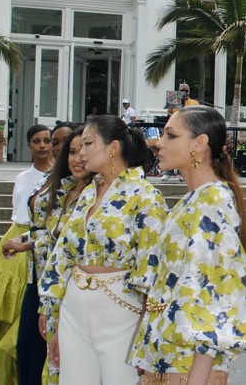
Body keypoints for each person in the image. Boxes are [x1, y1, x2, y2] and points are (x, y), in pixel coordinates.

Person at [131, 106, 246, 385]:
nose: (159, 143)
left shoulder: (212, 202)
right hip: (166, 356)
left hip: (187, 365)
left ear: (199, 144)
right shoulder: (197, 199)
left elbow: (213, 296)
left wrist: (197, 379)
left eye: (170, 135)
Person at [38, 115, 168, 384]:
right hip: (74, 306)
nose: (80, 153)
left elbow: (153, 266)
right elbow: (63, 255)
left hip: (123, 310)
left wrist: (148, 331)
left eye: (88, 143)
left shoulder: (145, 195)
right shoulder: (87, 193)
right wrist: (51, 311)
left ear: (113, 148)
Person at [2, 126, 93, 385]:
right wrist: (25, 240)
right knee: (28, 350)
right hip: (40, 277)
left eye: (84, 149)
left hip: (70, 287)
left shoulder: (96, 196)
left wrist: (28, 242)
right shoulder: (60, 184)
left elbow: (66, 239)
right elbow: (50, 231)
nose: (78, 157)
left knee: (57, 358)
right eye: (70, 150)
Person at [0, 124, 52, 384]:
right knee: (6, 303)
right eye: (36, 141)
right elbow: (17, 209)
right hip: (16, 236)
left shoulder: (58, 176)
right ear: (28, 145)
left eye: (46, 141)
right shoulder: (22, 177)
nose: (42, 145)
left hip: (36, 239)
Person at [161, 83, 199, 181]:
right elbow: (169, 115)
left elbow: (197, 116)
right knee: (170, 150)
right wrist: (169, 109)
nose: (183, 92)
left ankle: (181, 173)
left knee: (184, 152)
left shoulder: (193, 103)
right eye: (181, 90)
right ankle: (167, 173)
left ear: (188, 92)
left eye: (185, 91)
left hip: (187, 130)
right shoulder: (174, 100)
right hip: (175, 129)